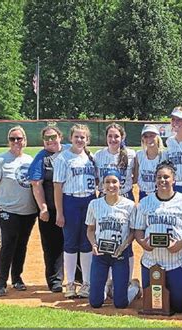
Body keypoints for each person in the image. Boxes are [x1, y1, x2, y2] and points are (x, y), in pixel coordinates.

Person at [133, 160, 182, 313]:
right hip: (151, 261)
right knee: (153, 305)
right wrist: (143, 243)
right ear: (155, 179)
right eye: (159, 177)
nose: (162, 180)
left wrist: (180, 244)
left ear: (173, 179)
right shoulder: (145, 202)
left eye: (166, 177)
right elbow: (138, 230)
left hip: (177, 261)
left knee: (180, 307)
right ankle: (134, 287)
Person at [0, 126, 37, 296]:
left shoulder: (30, 160)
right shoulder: (0, 160)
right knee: (8, 243)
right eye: (13, 139)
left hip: (28, 211)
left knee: (21, 244)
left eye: (19, 138)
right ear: (8, 141)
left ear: (25, 141)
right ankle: (1, 281)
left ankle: (16, 277)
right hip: (7, 209)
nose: (16, 142)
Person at [53, 124, 97, 299]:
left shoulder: (91, 157)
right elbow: (57, 186)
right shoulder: (63, 158)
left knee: (87, 242)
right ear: (70, 138)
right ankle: (70, 283)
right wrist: (59, 212)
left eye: (83, 137)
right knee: (71, 243)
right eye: (77, 137)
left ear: (87, 140)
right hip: (70, 200)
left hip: (89, 200)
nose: (80, 140)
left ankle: (86, 283)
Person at [94, 123, 137, 294]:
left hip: (125, 198)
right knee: (104, 237)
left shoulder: (132, 155)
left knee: (127, 242)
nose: (113, 139)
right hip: (104, 199)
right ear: (106, 137)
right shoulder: (99, 155)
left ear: (122, 137)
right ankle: (105, 283)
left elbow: (135, 178)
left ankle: (124, 281)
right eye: (110, 136)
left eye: (116, 136)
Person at [86, 169, 137, 309]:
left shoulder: (129, 205)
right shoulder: (94, 204)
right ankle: (106, 287)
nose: (111, 185)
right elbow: (90, 230)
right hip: (100, 255)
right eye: (107, 182)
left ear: (120, 184)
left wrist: (124, 245)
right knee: (95, 303)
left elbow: (133, 232)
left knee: (120, 304)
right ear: (102, 185)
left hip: (120, 255)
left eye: (114, 181)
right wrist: (94, 244)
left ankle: (134, 288)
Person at [28, 125, 67, 293]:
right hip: (50, 209)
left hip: (71, 207)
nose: (50, 141)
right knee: (53, 246)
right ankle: (55, 280)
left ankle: (79, 277)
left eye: (53, 137)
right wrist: (43, 207)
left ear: (60, 137)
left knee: (77, 243)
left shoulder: (69, 152)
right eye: (47, 138)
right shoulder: (41, 158)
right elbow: (36, 184)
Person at [133, 124, 166, 201]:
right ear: (142, 139)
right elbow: (136, 177)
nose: (149, 138)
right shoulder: (139, 155)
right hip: (143, 194)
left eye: (152, 135)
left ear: (157, 137)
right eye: (146, 136)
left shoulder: (164, 155)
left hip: (160, 194)